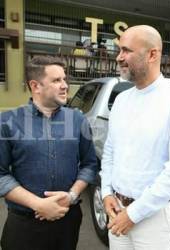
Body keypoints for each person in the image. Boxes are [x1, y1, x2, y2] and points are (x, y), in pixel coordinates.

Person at [101, 25, 170, 250]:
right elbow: (109, 152)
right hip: (117, 210)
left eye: (126, 51)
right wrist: (106, 192)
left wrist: (133, 214)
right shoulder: (122, 100)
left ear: (152, 54)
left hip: (154, 221)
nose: (119, 57)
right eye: (119, 50)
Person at [0, 55, 99, 250]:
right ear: (35, 86)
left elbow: (89, 165)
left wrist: (71, 196)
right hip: (24, 224)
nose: (65, 86)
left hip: (67, 221)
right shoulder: (7, 122)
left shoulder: (78, 120)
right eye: (56, 80)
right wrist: (38, 204)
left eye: (64, 79)